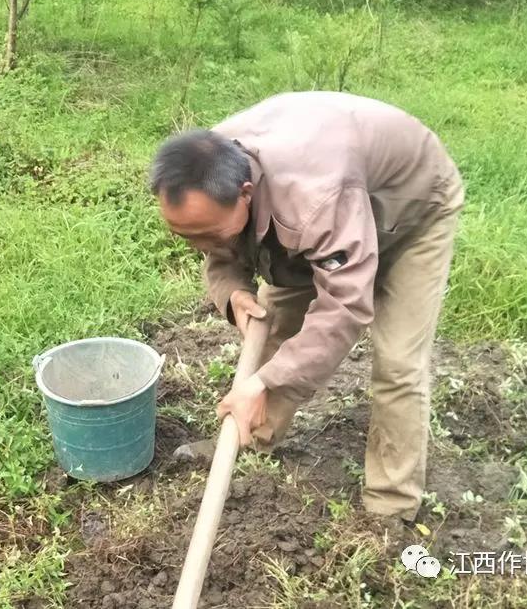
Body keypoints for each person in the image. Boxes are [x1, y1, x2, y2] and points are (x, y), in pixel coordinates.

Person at [149, 91, 464, 523]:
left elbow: (345, 306)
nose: (198, 246)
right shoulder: (204, 167)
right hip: (328, 216)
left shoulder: (314, 198)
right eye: (186, 236)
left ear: (245, 193)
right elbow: (220, 245)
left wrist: (265, 380)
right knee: (274, 324)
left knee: (398, 363)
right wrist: (233, 291)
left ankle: (391, 504)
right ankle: (251, 438)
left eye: (207, 235)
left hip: (411, 212)